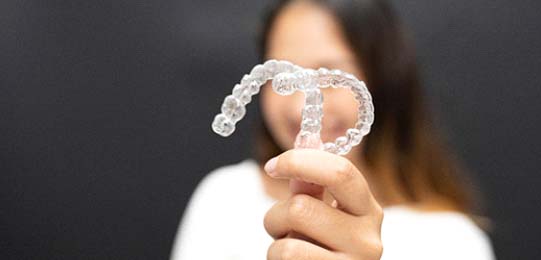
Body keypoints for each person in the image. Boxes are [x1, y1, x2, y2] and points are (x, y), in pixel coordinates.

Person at [172, 0, 495, 259]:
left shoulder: (453, 244)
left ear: (383, 78)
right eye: (284, 81)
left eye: (331, 74)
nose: (301, 108)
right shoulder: (223, 199)